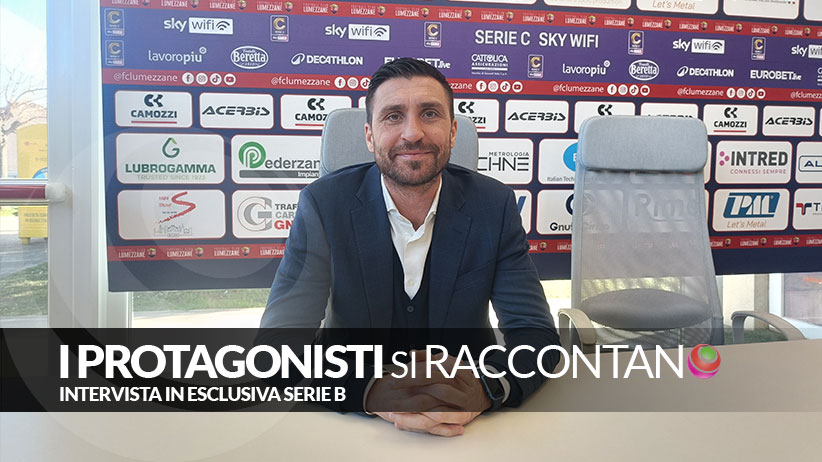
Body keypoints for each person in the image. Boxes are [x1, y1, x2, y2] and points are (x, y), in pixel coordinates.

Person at [260, 58, 559, 436]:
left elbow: (535, 335)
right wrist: (368, 391)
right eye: (393, 116)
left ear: (453, 131)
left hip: (473, 428)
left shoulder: (493, 206)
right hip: (350, 424)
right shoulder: (324, 205)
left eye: (430, 114)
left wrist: (487, 388)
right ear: (370, 136)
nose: (412, 133)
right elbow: (277, 345)